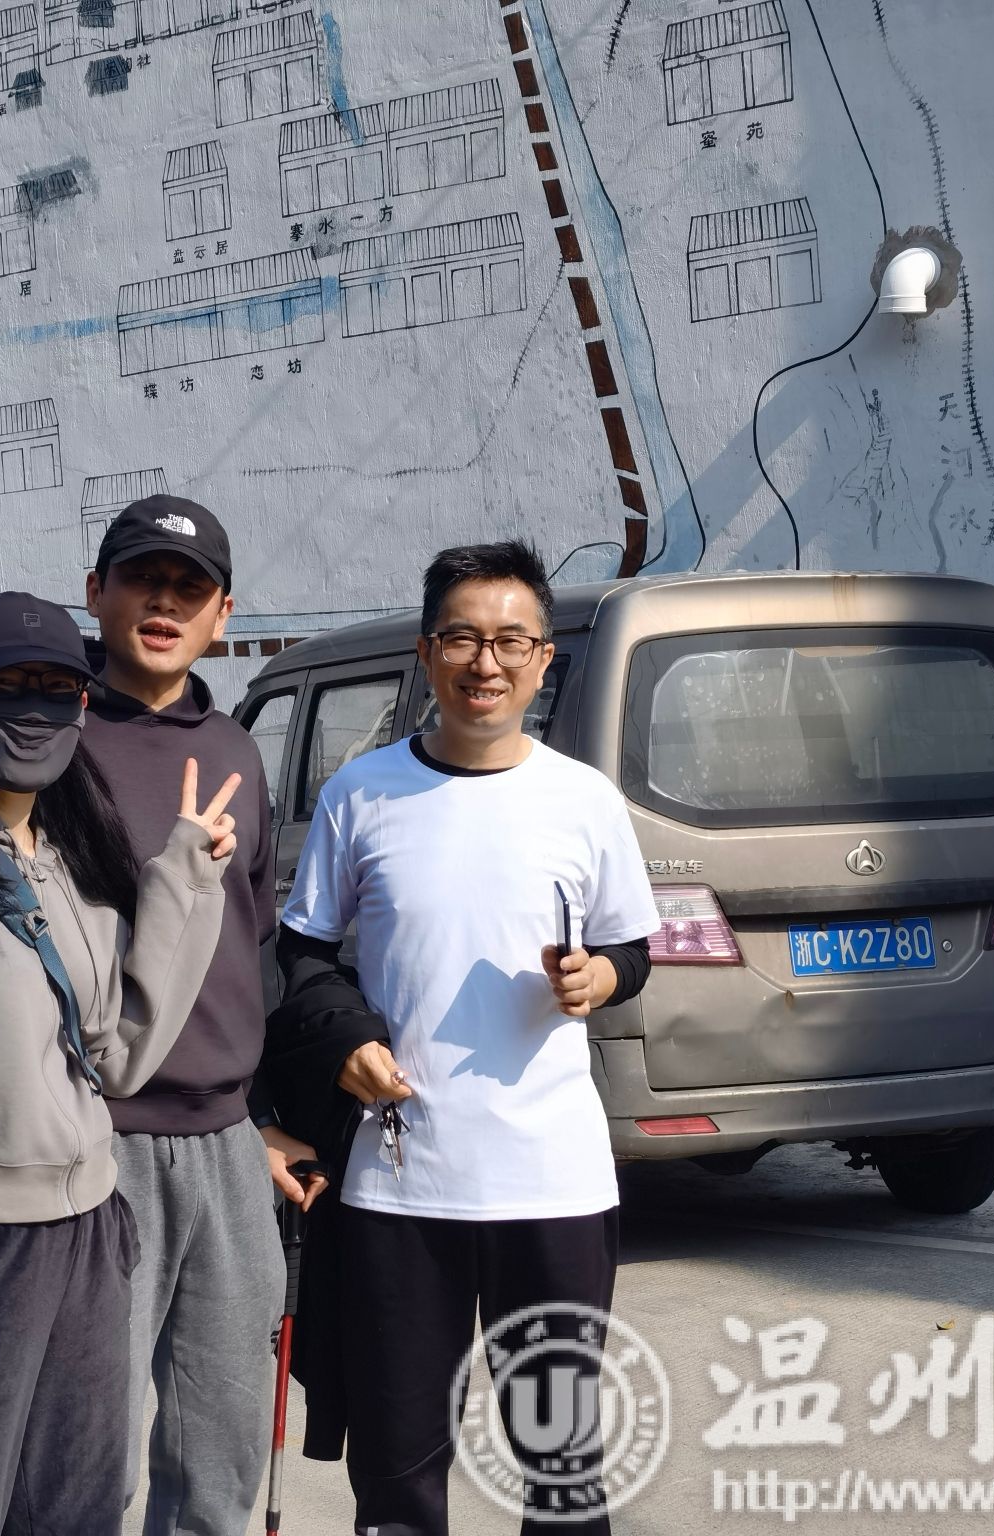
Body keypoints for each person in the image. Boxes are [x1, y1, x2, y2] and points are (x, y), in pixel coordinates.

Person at [0, 496, 324, 1536]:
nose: (164, 602)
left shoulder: (232, 753)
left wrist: (261, 1115)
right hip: (81, 1149)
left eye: (189, 587)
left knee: (207, 1459)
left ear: (223, 612)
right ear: (97, 592)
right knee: (43, 1480)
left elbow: (243, 956)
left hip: (207, 1145)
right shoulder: (30, 756)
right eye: (142, 578)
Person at [270, 539, 661, 1535]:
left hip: (553, 1182)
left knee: (561, 1466)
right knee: (396, 1472)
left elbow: (631, 948)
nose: (485, 662)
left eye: (510, 640)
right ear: (425, 651)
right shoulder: (360, 794)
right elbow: (303, 951)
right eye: (461, 638)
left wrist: (600, 975)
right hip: (401, 1185)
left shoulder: (584, 799)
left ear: (542, 659)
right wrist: (345, 1037)